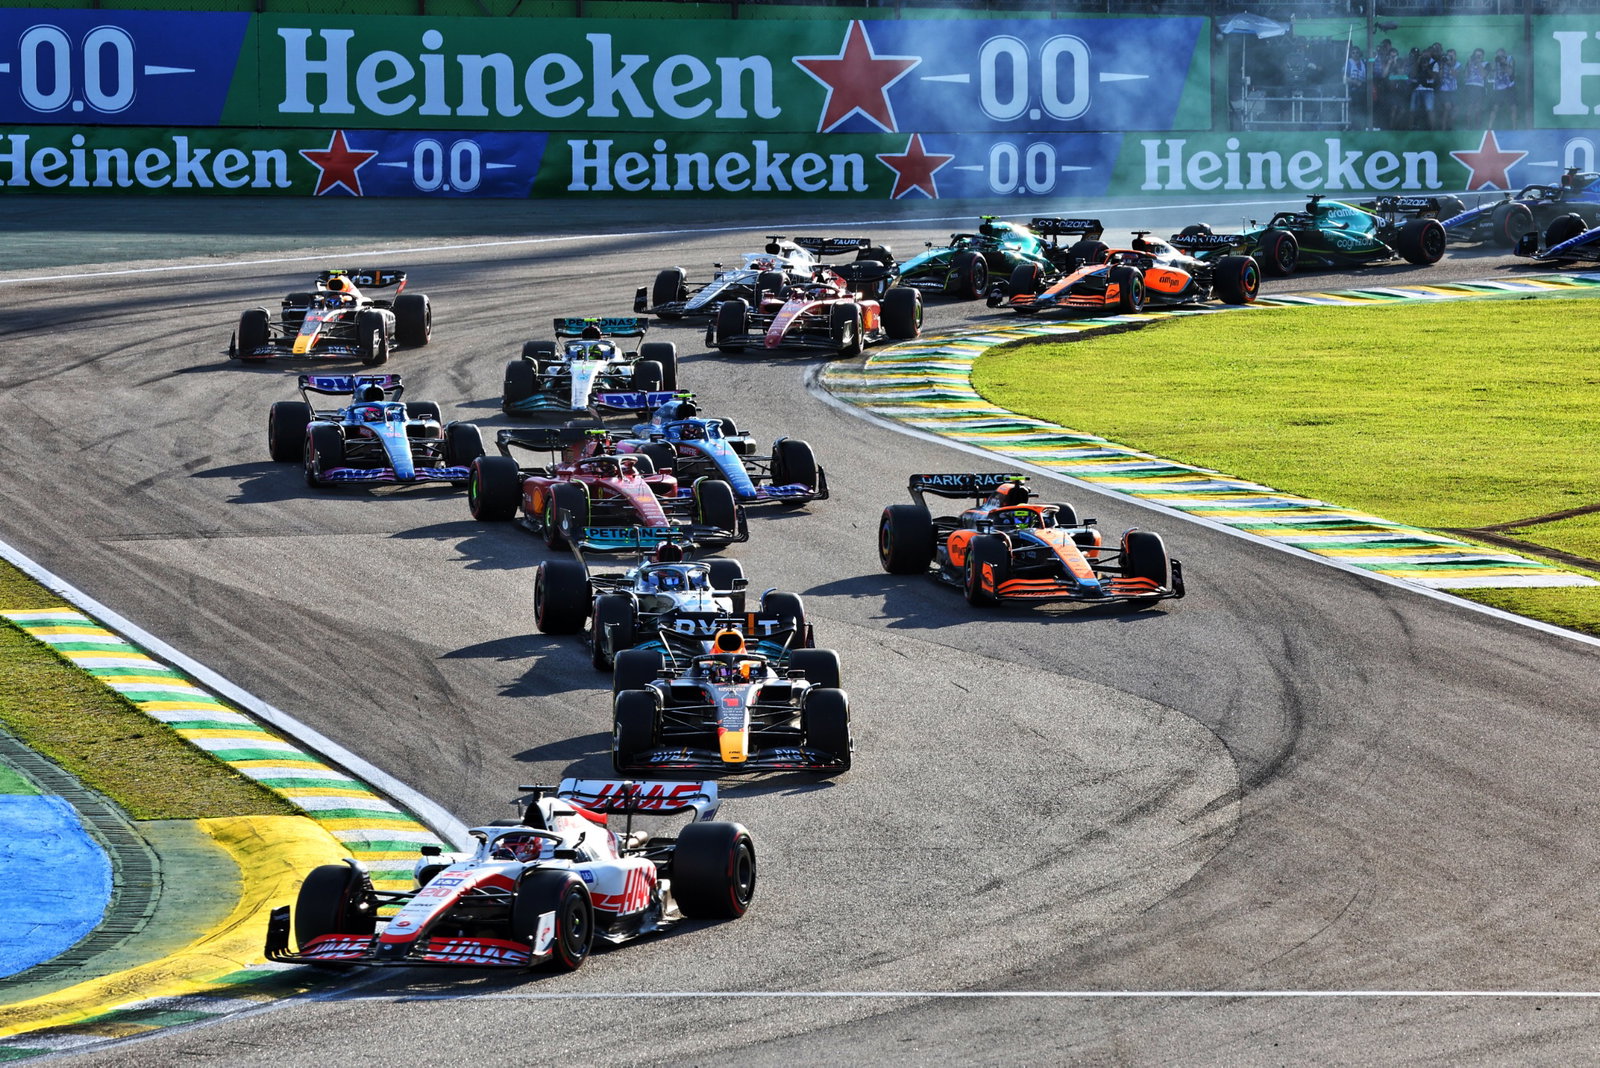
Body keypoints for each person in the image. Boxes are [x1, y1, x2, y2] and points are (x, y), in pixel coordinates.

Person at [1487, 48, 1516, 129]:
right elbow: (1491, 74)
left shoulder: (1510, 59)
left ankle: (1514, 128)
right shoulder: (1494, 61)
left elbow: (1510, 72)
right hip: (1498, 89)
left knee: (1513, 107)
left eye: (1501, 55)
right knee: (1495, 108)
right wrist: (1495, 62)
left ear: (1505, 54)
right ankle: (1489, 128)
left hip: (1509, 87)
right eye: (1498, 55)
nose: (1499, 56)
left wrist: (1503, 62)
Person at [1462, 48, 1488, 128]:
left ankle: (1478, 128)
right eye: (1476, 55)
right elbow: (1466, 75)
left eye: (1480, 55)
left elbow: (1484, 75)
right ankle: (1468, 128)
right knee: (1468, 109)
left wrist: (1478, 63)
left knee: (1478, 109)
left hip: (1479, 88)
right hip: (1469, 87)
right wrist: (1470, 62)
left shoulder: (1486, 64)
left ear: (1483, 56)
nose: (1478, 57)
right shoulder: (1470, 63)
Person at [1437, 48, 1460, 129]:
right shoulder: (1441, 63)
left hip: (1454, 89)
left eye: (1452, 55)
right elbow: (1439, 77)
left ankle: (1449, 125)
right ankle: (1443, 127)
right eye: (1448, 55)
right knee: (1447, 107)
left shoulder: (1458, 64)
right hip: (1444, 89)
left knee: (1457, 110)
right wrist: (1442, 66)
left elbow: (1455, 76)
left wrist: (1450, 65)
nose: (1449, 56)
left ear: (1455, 56)